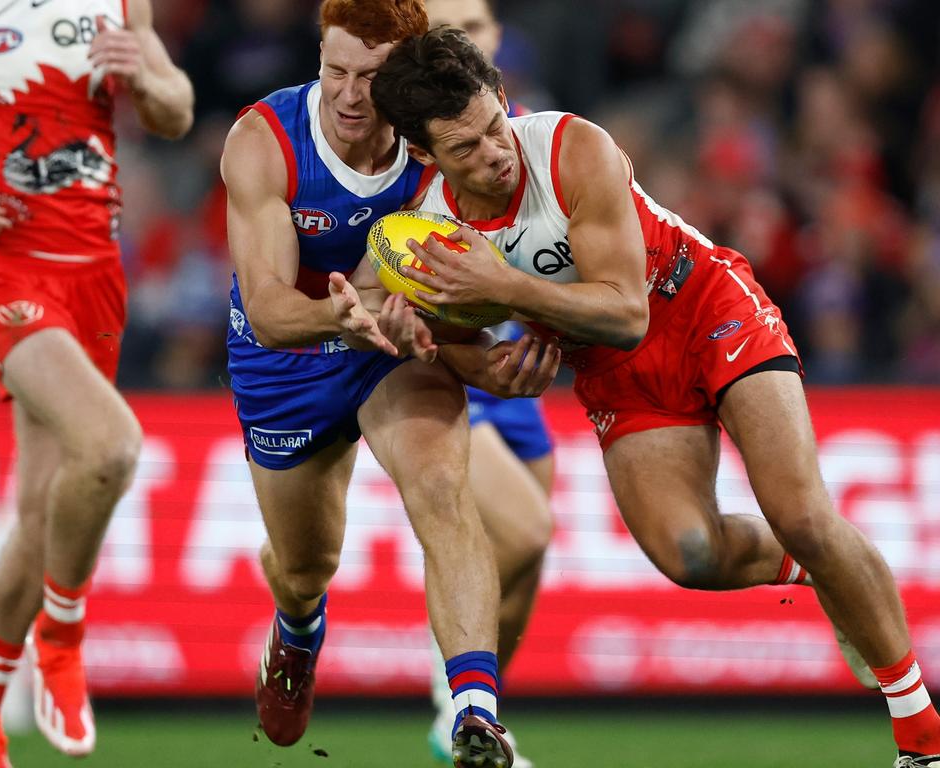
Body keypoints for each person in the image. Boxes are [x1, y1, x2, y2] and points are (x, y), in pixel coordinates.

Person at [371, 28, 940, 768]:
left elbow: (627, 309)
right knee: (689, 554)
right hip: (614, 372)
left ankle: (920, 737)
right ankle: (825, 572)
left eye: (492, 125)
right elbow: (466, 353)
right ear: (423, 156)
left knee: (799, 511)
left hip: (703, 306)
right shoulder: (433, 231)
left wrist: (502, 285)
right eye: (465, 148)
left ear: (501, 98)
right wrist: (494, 369)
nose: (493, 153)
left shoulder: (573, 149)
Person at [220, 2, 558, 766]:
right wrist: (344, 315)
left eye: (368, 78)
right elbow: (272, 313)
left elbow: (492, 273)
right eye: (332, 70)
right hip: (288, 359)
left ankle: (472, 712)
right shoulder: (264, 141)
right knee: (307, 568)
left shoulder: (441, 144)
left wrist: (500, 356)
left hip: (394, 347)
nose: (345, 94)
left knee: (444, 491)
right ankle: (299, 627)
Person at [0, 1, 194, 765]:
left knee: (42, 514)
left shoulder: (121, 5)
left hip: (98, 279)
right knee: (111, 447)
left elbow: (176, 111)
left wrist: (145, 74)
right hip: (1, 265)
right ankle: (63, 643)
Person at [421, 2, 553, 765]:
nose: (466, 39)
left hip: (513, 361)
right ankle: (453, 694)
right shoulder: (416, 144)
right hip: (445, 365)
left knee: (529, 553)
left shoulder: (521, 130)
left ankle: (476, 705)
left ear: (499, 37)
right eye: (447, 28)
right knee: (527, 527)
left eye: (476, 24)